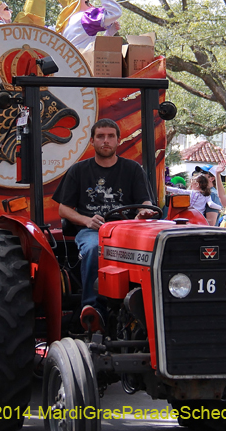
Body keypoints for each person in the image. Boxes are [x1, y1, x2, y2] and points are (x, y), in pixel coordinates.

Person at [52, 119, 153, 331]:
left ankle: (147, 308)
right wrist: (87, 220)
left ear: (118, 140)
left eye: (110, 136)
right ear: (92, 141)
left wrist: (145, 210)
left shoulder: (133, 169)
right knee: (92, 250)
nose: (105, 141)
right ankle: (92, 310)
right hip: (92, 231)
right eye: (100, 136)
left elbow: (145, 201)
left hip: (126, 231)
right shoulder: (78, 171)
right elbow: (64, 209)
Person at [53, 0, 122, 51]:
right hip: (82, 61)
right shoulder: (84, 17)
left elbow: (91, 49)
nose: (91, 5)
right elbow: (115, 12)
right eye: (87, 2)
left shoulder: (65, 25)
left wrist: (108, 34)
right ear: (78, 3)